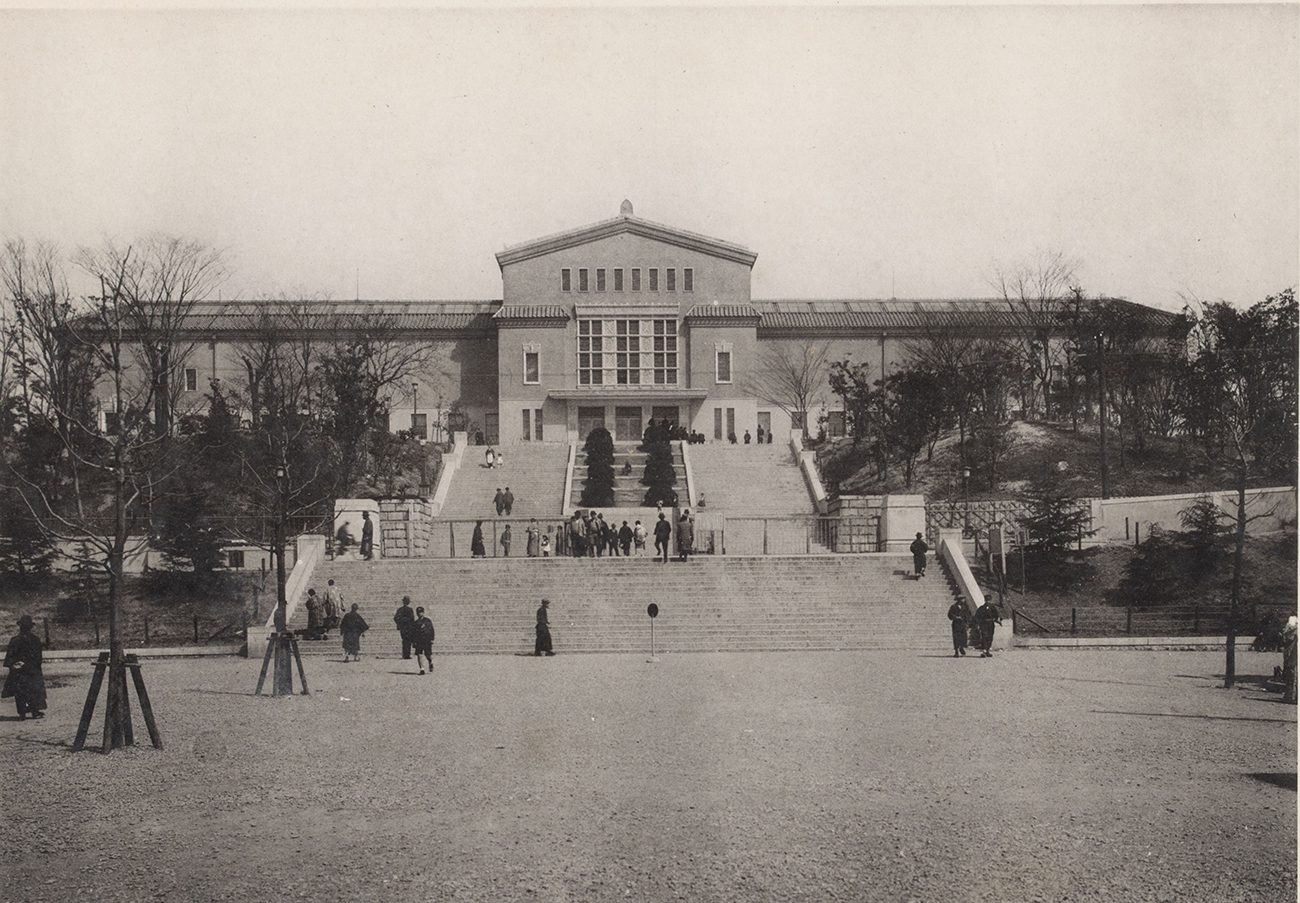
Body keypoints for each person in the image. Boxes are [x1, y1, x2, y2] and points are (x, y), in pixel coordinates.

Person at [3, 615, 46, 719]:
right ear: (30, 627)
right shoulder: (35, 640)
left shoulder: (15, 640)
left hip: (19, 671)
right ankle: (34, 712)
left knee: (20, 692)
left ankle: (22, 713)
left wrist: (15, 664)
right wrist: (26, 664)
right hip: (31, 670)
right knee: (33, 690)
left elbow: (9, 657)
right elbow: (38, 658)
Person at [412, 607, 435, 675]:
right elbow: (413, 633)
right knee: (419, 654)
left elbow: (431, 630)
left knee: (428, 655)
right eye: (418, 612)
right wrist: (413, 641)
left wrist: (432, 639)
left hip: (426, 639)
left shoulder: (427, 621)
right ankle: (422, 669)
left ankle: (430, 662)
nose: (419, 614)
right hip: (419, 640)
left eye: (420, 612)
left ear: (423, 613)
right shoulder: (415, 623)